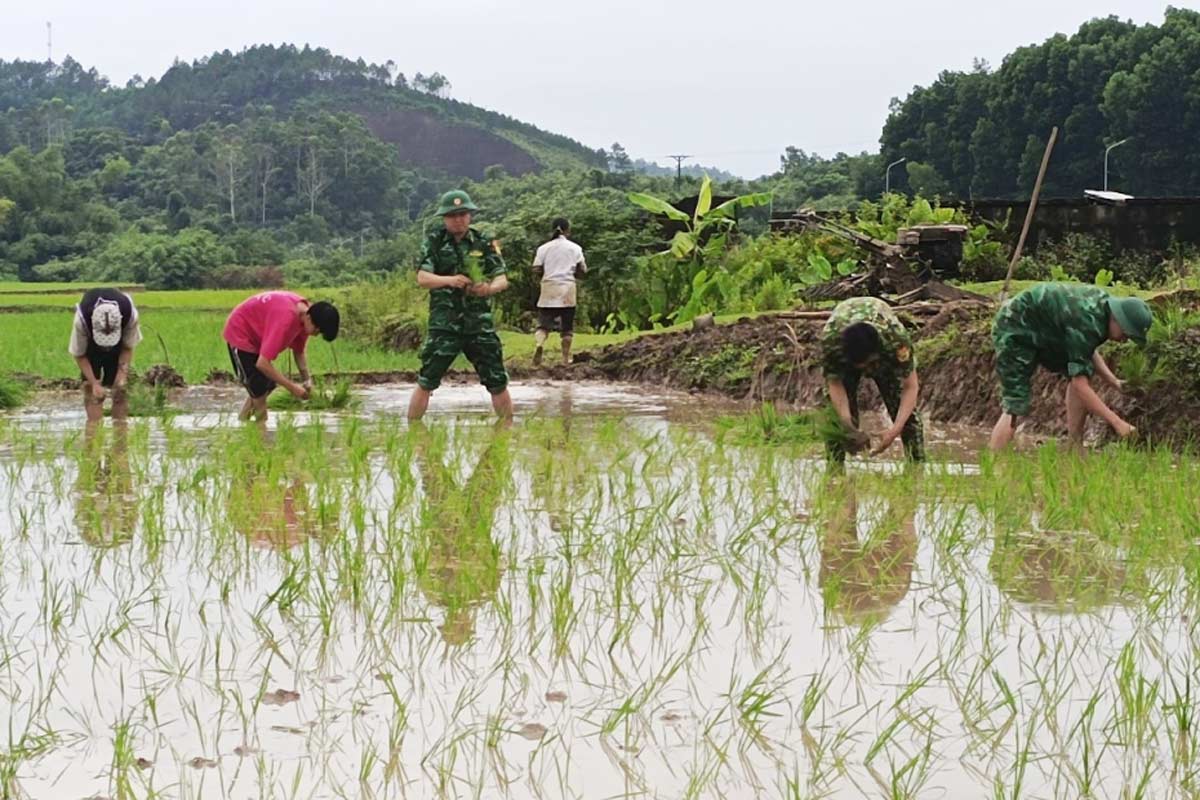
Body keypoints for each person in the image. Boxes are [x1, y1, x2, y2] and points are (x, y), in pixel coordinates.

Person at [988, 283, 1152, 450]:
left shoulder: (1103, 309)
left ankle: (1075, 446)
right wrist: (1118, 424)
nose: (1124, 340)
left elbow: (1085, 351)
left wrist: (1114, 382)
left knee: (1081, 371)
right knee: (1015, 405)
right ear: (1117, 319)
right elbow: (1079, 384)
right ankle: (994, 467)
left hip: (1045, 330)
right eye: (1126, 334)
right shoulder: (1088, 320)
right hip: (1015, 327)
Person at [407, 190, 513, 420]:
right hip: (445, 325)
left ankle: (506, 435)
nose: (459, 219)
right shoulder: (433, 242)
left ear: (470, 215)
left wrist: (488, 288)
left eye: (463, 214)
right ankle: (413, 438)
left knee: (497, 381)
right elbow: (423, 278)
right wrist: (450, 281)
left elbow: (502, 278)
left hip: (479, 325)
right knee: (426, 380)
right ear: (444, 218)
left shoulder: (484, 242)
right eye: (453, 215)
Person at [821, 296, 923, 464]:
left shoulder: (895, 339)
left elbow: (910, 386)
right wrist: (847, 425)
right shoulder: (831, 342)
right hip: (846, 350)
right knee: (835, 418)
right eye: (862, 367)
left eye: (870, 365)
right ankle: (835, 471)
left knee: (907, 418)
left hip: (882, 352)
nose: (867, 373)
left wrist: (894, 431)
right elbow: (834, 383)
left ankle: (917, 467)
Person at [222, 291, 340, 422]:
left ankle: (242, 422)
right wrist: (292, 388)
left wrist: (307, 381)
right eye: (317, 330)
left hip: (257, 335)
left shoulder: (305, 317)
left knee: (267, 385)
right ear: (309, 317)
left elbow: (299, 352)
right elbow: (262, 364)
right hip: (241, 332)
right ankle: (262, 433)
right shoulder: (285, 320)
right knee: (258, 388)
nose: (316, 334)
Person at [69, 287, 143, 422]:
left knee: (120, 390)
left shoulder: (130, 316)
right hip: (91, 347)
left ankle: (120, 430)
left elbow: (127, 347)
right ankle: (94, 429)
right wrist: (94, 383)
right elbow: (79, 354)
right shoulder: (82, 320)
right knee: (92, 391)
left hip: (118, 346)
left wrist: (122, 376)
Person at [532, 217, 587, 366]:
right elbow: (582, 269)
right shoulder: (575, 248)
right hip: (568, 289)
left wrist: (546, 275)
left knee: (543, 325)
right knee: (567, 328)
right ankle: (564, 359)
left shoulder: (543, 248)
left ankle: (539, 345)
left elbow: (536, 268)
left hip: (548, 287)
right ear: (568, 230)